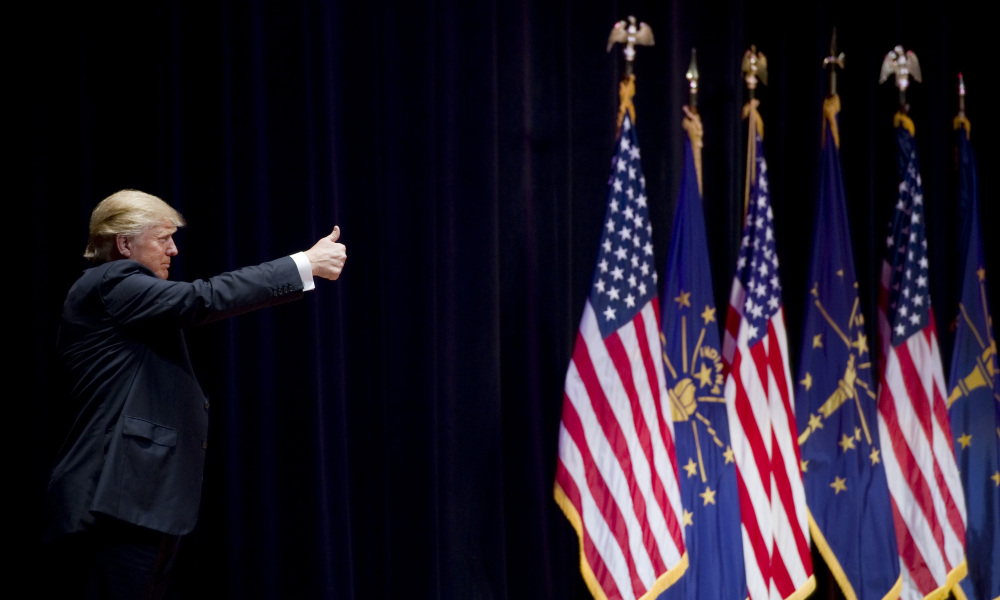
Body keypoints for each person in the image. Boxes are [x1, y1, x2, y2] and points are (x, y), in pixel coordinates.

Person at [43, 189, 347, 599]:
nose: (174, 249)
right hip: (111, 501)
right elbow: (199, 299)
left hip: (135, 499)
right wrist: (302, 265)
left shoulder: (126, 297)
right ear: (124, 243)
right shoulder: (111, 280)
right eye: (163, 238)